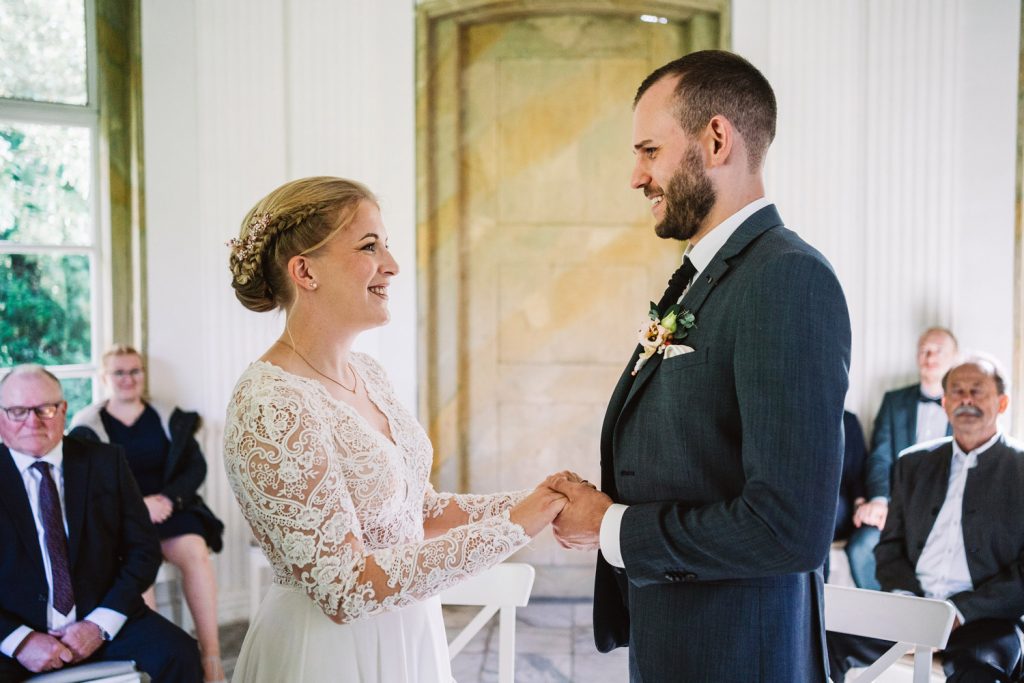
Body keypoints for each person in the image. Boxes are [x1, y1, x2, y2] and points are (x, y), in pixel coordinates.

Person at [548, 50, 851, 681]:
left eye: (650, 151)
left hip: (738, 656)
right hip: (677, 644)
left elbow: (788, 529)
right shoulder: (706, 277)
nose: (636, 177)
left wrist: (611, 527)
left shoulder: (786, 278)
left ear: (716, 140)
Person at [223, 176, 568, 682]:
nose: (392, 265)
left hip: (409, 635)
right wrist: (518, 525)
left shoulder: (368, 374)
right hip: (328, 654)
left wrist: (541, 500)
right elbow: (344, 589)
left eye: (386, 244)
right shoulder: (270, 404)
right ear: (305, 271)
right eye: (370, 246)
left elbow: (418, 512)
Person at [0, 365, 202, 682]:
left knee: (180, 653)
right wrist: (19, 641)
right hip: (12, 629)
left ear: (63, 410)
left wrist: (99, 624)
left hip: (100, 616)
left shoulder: (106, 461)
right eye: (17, 411)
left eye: (45, 409)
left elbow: (144, 551)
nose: (32, 421)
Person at [828, 357, 1024, 681]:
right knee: (823, 642)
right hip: (911, 607)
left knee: (983, 673)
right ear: (945, 403)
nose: (966, 399)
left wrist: (959, 612)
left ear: (1002, 403)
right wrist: (909, 603)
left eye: (977, 390)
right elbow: (889, 546)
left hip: (984, 618)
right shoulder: (913, 463)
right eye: (957, 391)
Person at [68, 345, 227, 683]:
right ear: (104, 378)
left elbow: (195, 468)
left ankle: (211, 657)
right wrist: (140, 506)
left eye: (134, 371)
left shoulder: (168, 416)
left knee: (195, 551)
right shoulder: (88, 426)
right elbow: (90, 487)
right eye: (119, 372)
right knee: (137, 568)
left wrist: (169, 499)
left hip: (172, 510)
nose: (128, 378)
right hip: (123, 519)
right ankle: (158, 661)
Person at [846, 327, 957, 589]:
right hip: (895, 510)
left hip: (946, 514)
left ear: (955, 357)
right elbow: (880, 458)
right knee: (861, 548)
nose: (929, 357)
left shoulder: (965, 406)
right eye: (924, 350)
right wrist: (879, 500)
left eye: (938, 351)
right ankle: (884, 615)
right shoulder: (894, 401)